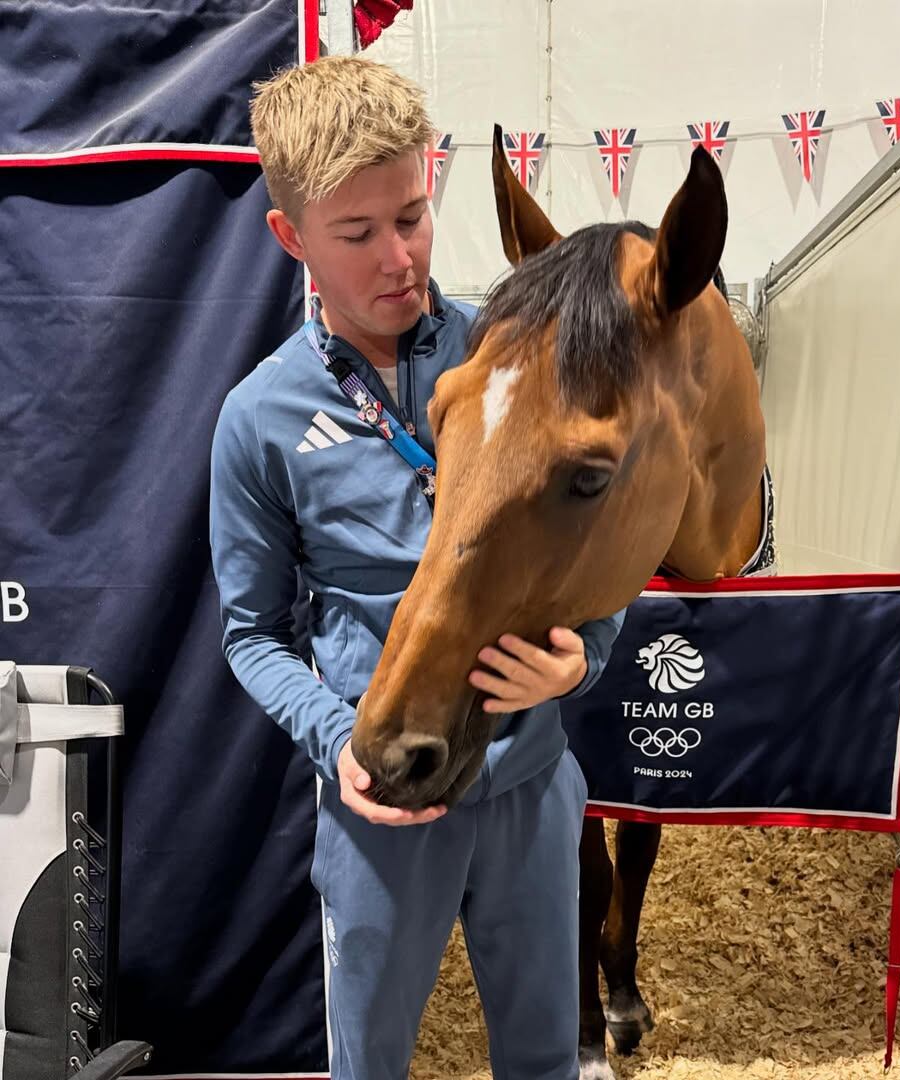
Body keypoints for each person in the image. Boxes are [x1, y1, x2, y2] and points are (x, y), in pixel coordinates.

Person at [208, 56, 624, 1080]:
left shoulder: (519, 349)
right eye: (357, 234)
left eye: (412, 213)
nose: (398, 255)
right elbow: (252, 635)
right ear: (290, 238)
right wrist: (334, 740)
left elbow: (609, 542)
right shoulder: (260, 418)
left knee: (545, 1056)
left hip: (531, 784)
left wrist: (582, 662)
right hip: (380, 801)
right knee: (371, 1061)